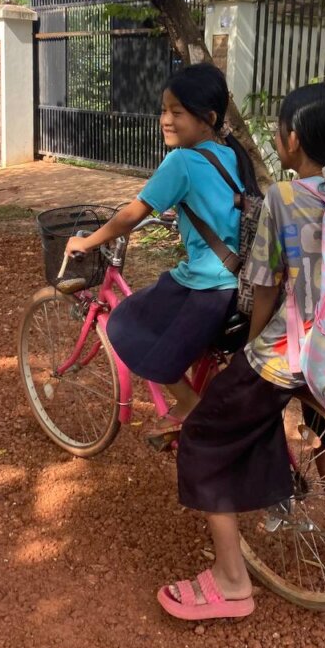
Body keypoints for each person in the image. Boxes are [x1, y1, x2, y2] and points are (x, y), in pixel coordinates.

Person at [156, 82, 325, 622]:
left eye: (279, 130)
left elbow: (265, 287)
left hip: (291, 351)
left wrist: (250, 352)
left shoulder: (283, 196)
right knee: (324, 424)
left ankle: (232, 583)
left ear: (292, 140)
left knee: (204, 437)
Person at [65, 63, 261, 437]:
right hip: (240, 284)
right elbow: (219, 206)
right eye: (163, 110)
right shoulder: (229, 154)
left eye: (177, 112)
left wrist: (86, 241)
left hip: (204, 285)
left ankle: (189, 403)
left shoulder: (182, 161)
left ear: (208, 118)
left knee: (125, 323)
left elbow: (128, 216)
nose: (165, 119)